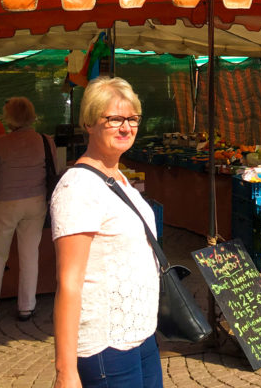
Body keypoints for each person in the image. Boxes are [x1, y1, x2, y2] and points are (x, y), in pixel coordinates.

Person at [51, 77, 162, 388]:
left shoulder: (118, 177)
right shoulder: (77, 188)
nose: (125, 128)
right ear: (89, 123)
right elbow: (69, 283)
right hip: (105, 346)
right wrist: (65, 371)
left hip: (140, 335)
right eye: (114, 119)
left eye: (132, 119)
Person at [0, 97, 51, 322]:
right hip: (36, 202)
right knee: (29, 253)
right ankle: (27, 307)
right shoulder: (46, 141)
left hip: (6, 202)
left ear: (8, 118)